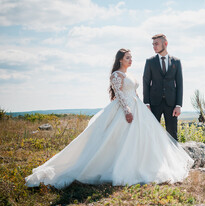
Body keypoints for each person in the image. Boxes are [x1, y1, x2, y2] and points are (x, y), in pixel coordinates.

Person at [25, 48, 193, 189]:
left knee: (141, 139)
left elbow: (134, 93)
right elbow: (119, 95)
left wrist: (141, 108)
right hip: (124, 109)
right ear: (120, 60)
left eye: (131, 57)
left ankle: (142, 165)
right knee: (116, 139)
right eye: (128, 58)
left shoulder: (130, 75)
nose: (131, 60)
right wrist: (127, 110)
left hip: (137, 107)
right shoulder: (116, 75)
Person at [143, 34, 183, 141]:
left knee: (172, 133)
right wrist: (146, 104)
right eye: (153, 44)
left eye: (156, 44)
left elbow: (179, 84)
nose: (154, 47)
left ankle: (174, 157)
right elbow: (146, 83)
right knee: (152, 133)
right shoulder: (150, 62)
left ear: (165, 44)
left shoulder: (176, 62)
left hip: (171, 104)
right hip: (154, 103)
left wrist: (178, 105)